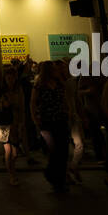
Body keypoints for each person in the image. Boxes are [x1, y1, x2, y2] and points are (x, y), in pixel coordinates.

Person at [32, 61, 70, 193]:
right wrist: (35, 119)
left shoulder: (60, 84)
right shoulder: (40, 86)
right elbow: (33, 103)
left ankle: (60, 180)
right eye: (54, 69)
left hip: (60, 120)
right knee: (53, 151)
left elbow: (64, 100)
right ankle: (54, 177)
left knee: (63, 151)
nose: (57, 70)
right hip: (47, 121)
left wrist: (68, 111)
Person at [0, 66, 25, 185]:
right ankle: (12, 175)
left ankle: (12, 170)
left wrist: (21, 123)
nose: (10, 79)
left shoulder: (18, 90)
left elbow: (22, 107)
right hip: (2, 121)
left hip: (15, 122)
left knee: (15, 152)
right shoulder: (0, 90)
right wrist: (2, 104)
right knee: (8, 150)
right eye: (8, 77)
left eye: (12, 77)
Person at [62, 62, 87, 184]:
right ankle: (70, 170)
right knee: (74, 145)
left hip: (72, 117)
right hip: (64, 118)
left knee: (79, 143)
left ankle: (73, 167)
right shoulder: (62, 84)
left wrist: (80, 113)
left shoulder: (71, 82)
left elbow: (76, 99)